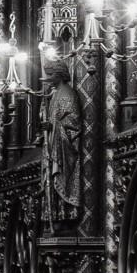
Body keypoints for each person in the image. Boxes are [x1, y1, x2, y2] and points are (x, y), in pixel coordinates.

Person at [42, 58, 85, 224]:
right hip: (54, 145)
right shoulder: (54, 95)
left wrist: (53, 125)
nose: (48, 78)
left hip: (63, 148)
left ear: (59, 75)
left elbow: (74, 121)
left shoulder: (67, 93)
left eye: (51, 75)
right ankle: (57, 214)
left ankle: (67, 214)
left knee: (62, 176)